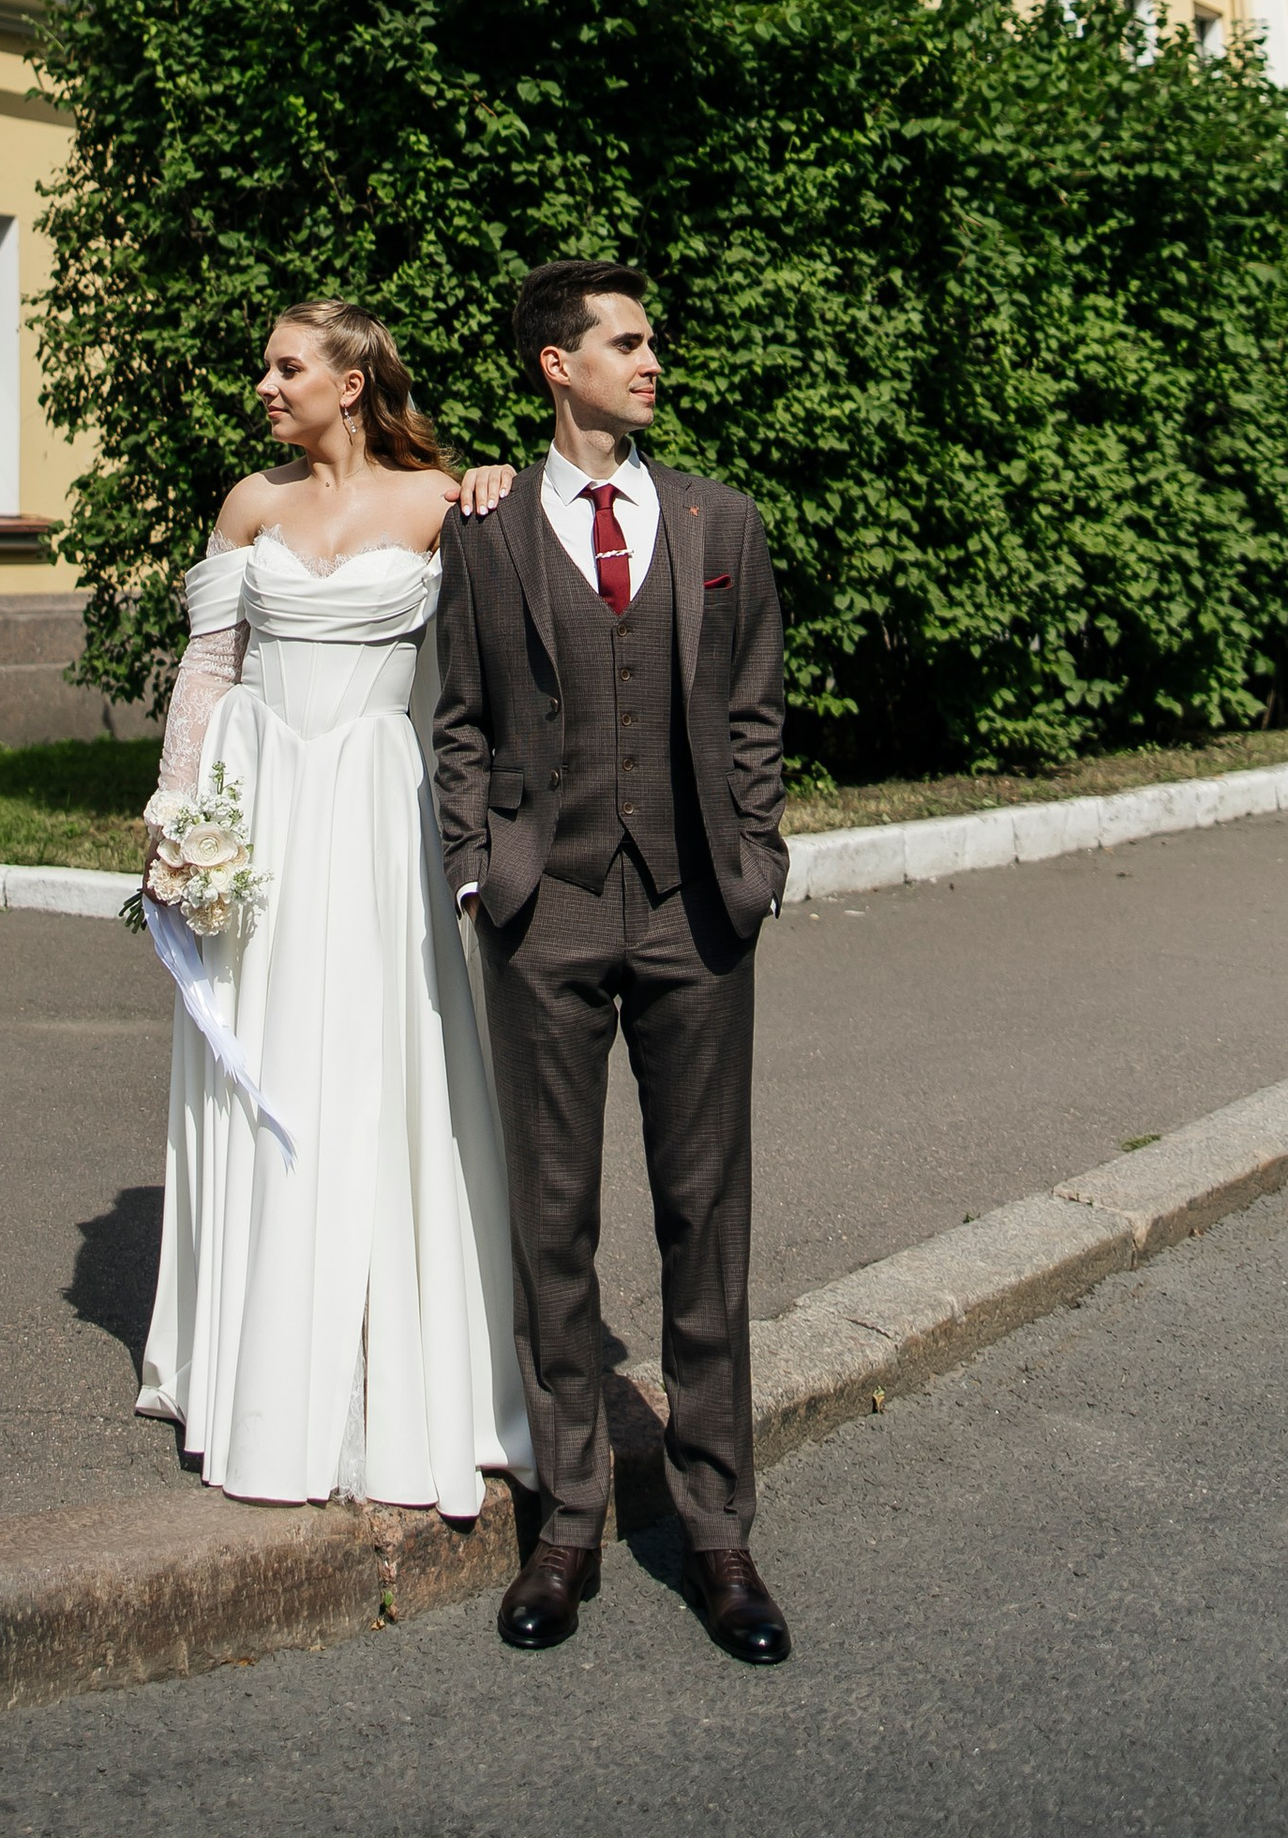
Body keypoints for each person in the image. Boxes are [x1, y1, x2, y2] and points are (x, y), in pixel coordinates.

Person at [436, 258, 793, 1663]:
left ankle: (719, 1533)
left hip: (700, 912)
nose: (652, 361)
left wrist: (754, 862)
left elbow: (753, 703)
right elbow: (458, 715)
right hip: (548, 910)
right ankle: (569, 1521)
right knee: (554, 1225)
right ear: (556, 367)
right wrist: (482, 867)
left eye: (650, 342)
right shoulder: (488, 529)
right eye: (626, 343)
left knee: (708, 1221)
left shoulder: (722, 521)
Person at [136, 297, 533, 1512]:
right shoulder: (251, 507)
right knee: (260, 1054)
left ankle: (386, 1353)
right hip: (256, 807)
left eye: (285, 365)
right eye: (266, 365)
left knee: (372, 1055)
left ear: (351, 383)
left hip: (367, 807)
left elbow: (496, 666)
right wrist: (177, 820)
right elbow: (210, 671)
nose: (264, 384)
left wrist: (507, 478)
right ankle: (250, 1359)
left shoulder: (444, 504)